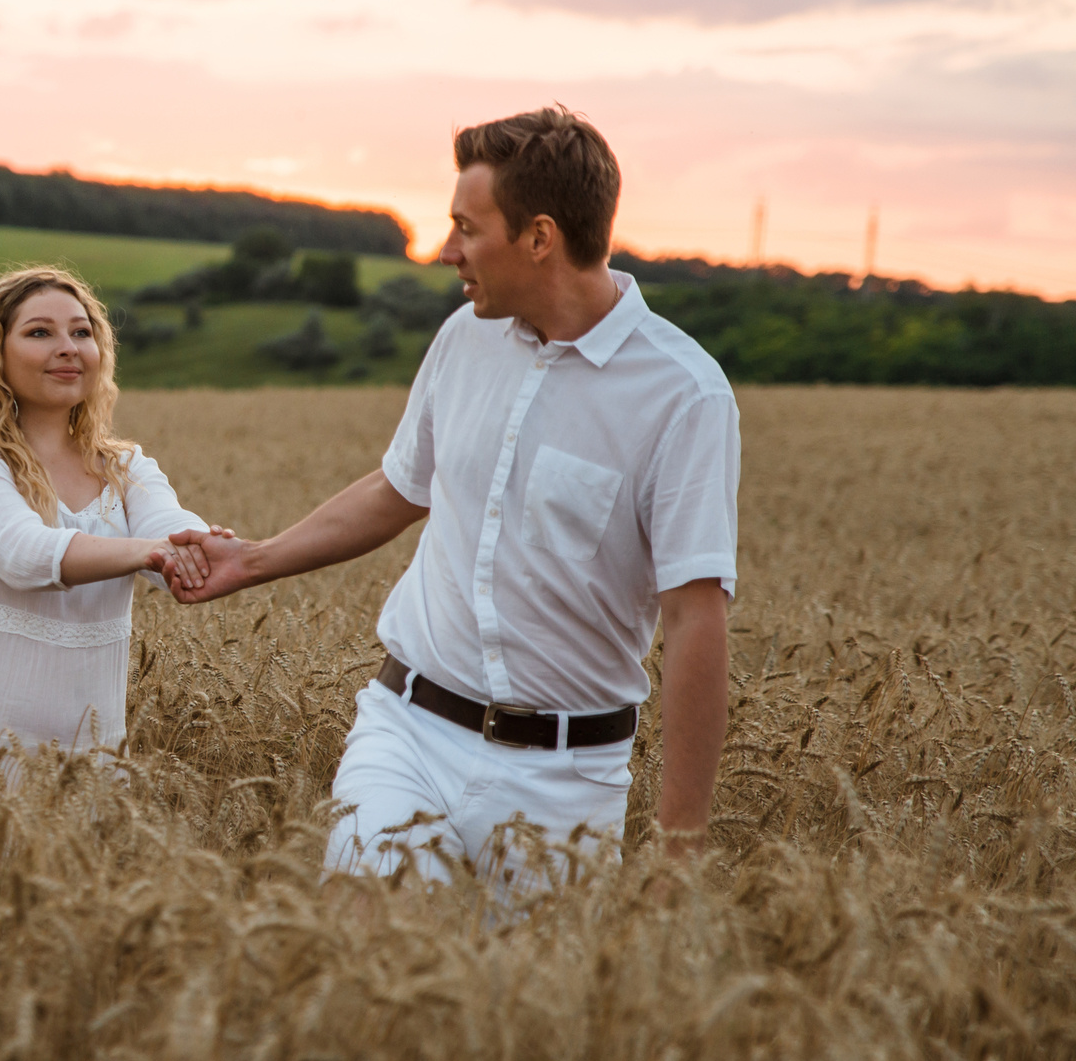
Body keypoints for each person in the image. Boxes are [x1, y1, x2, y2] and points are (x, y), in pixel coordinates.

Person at [168, 107, 739, 888]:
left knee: (516, 1009)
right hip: (408, 730)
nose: (446, 252)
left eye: (466, 228)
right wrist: (253, 559)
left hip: (566, 781)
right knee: (369, 957)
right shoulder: (462, 339)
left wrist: (681, 846)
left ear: (539, 237)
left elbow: (694, 613)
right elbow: (401, 487)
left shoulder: (683, 395)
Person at [0, 266, 217, 764]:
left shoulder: (126, 467)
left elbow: (172, 529)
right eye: (39, 333)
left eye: (82, 332)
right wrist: (152, 553)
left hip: (88, 758)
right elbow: (23, 555)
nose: (68, 347)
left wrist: (207, 548)